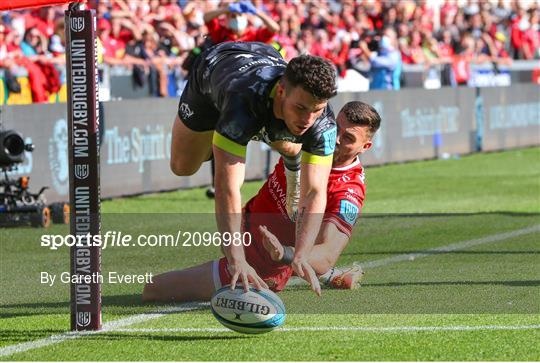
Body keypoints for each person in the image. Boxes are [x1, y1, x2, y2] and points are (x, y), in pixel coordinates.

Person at [144, 101, 381, 302]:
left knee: (153, 289)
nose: (336, 140)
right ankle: (329, 275)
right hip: (243, 226)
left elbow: (327, 253)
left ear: (365, 146)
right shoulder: (315, 135)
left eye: (348, 138)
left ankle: (319, 273)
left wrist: (285, 254)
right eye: (336, 129)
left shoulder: (348, 191)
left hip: (259, 265)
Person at [170, 41, 338, 295]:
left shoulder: (322, 122)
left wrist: (301, 254)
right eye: (301, 108)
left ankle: (286, 154)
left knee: (296, 137)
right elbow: (228, 190)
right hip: (213, 73)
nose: (308, 119)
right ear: (282, 92)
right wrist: (237, 259)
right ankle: (225, 136)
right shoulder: (242, 102)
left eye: (316, 110)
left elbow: (315, 191)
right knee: (183, 166)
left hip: (264, 60)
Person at [200, 0, 280, 199]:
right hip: (224, 89)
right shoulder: (221, 34)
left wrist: (256, 12)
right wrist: (226, 10)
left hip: (250, 90)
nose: (236, 20)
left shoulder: (254, 36)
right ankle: (218, 183)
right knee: (219, 138)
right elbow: (206, 18)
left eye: (239, 16)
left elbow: (274, 28)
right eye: (232, 17)